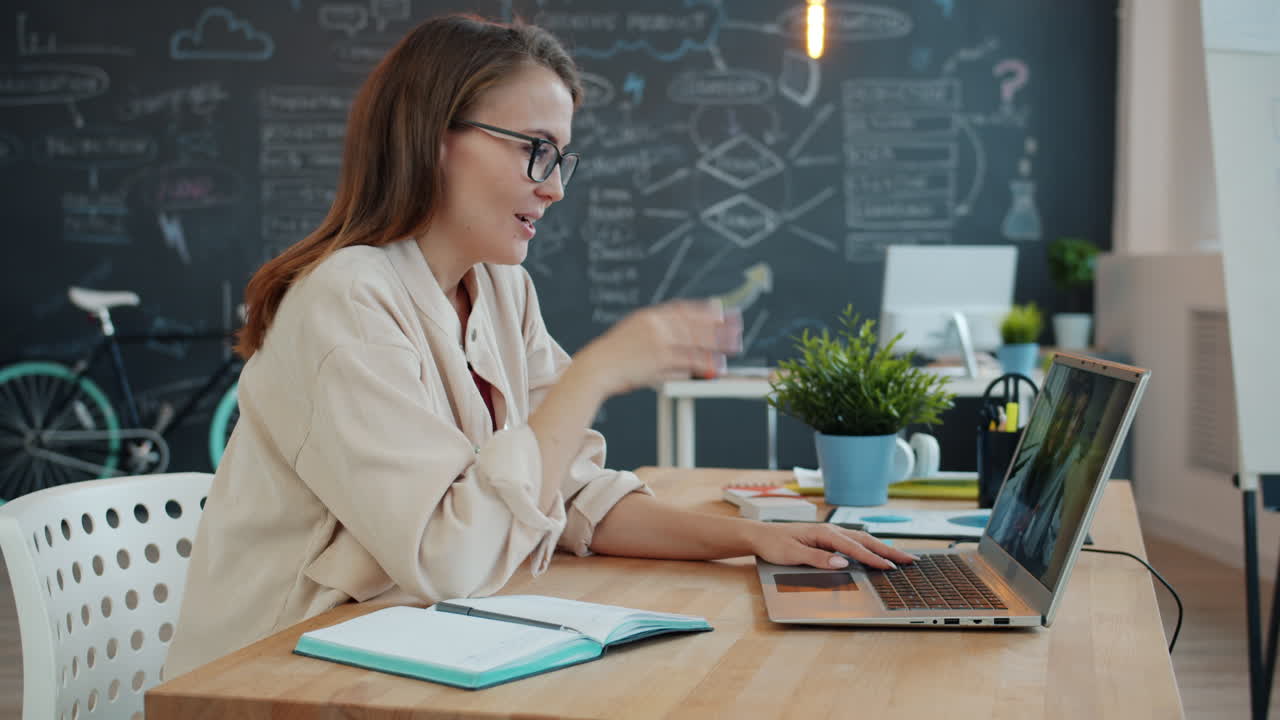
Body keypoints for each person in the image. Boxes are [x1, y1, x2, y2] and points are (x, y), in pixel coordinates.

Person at [165, 14, 914, 677]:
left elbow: (571, 496)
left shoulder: (500, 289)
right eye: (536, 149)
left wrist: (752, 539)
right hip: (274, 676)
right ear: (432, 138)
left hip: (408, 652)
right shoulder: (347, 299)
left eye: (561, 158)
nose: (553, 187)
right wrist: (595, 373)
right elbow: (450, 557)